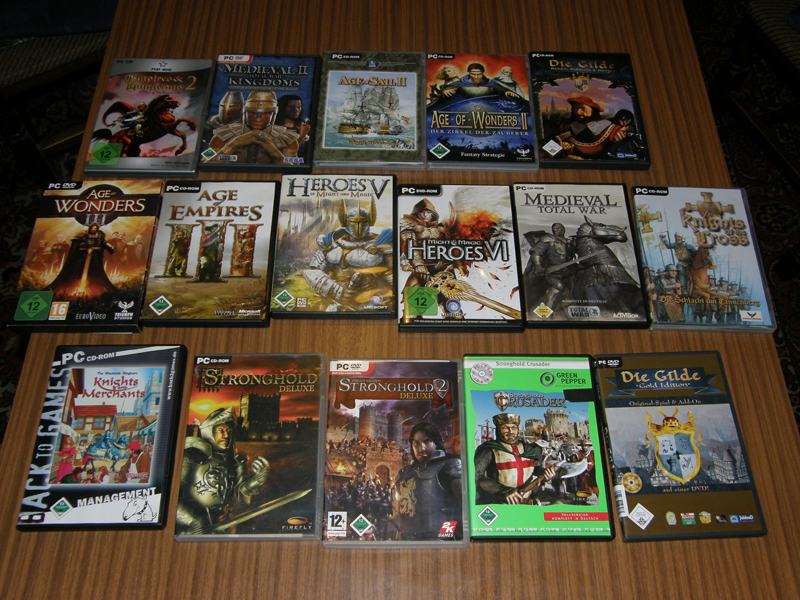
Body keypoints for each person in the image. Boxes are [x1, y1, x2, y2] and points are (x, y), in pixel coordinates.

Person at [175, 408, 270, 534]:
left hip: (222, 523)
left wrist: (257, 480)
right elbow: (173, 497)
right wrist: (194, 521)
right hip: (191, 527)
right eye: (221, 430)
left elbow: (241, 494)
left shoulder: (234, 460)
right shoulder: (193, 455)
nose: (226, 435)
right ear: (209, 431)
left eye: (228, 431)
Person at [303, 197, 393, 311]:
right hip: (334, 299)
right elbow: (312, 272)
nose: (358, 226)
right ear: (346, 222)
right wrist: (338, 291)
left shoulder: (380, 245)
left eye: (363, 222)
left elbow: (391, 275)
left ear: (369, 222)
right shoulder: (332, 243)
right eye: (353, 222)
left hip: (369, 298)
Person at [392, 422, 462, 540]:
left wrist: (445, 536)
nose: (421, 448)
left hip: (438, 542)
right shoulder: (403, 473)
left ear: (436, 442)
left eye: (427, 441)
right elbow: (397, 510)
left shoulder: (449, 465)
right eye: (416, 443)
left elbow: (465, 508)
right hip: (406, 542)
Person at [473, 413, 556, 504]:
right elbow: (476, 476)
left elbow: (533, 468)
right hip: (500, 502)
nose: (510, 431)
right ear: (498, 429)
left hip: (528, 499)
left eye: (513, 427)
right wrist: (504, 490)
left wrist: (544, 473)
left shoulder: (527, 448)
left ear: (518, 429)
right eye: (505, 428)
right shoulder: (488, 449)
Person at [207, 90, 307, 165]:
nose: (258, 117)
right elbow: (205, 159)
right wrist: (233, 144)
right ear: (245, 111)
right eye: (252, 112)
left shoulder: (288, 140)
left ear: (273, 113)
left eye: (265, 113)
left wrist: (274, 152)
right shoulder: (222, 136)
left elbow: (294, 168)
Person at [554, 96, 632, 159]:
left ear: (593, 110)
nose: (578, 112)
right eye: (575, 108)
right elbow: (549, 149)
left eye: (582, 108)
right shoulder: (566, 127)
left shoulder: (611, 128)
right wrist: (565, 157)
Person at [525, 222, 575, 312]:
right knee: (558, 286)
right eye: (554, 228)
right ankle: (544, 313)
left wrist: (572, 244)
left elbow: (572, 255)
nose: (555, 230)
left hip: (567, 271)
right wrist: (538, 266)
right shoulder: (548, 239)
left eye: (558, 228)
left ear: (563, 229)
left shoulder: (568, 242)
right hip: (553, 271)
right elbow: (536, 254)